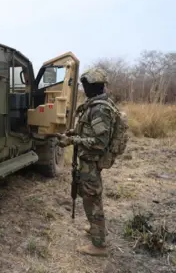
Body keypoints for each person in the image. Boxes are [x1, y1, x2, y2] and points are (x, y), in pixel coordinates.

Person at [56, 68, 115, 257]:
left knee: (91, 199)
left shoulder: (99, 109)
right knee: (90, 196)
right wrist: (72, 134)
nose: (85, 88)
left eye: (87, 86)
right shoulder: (95, 105)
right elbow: (88, 130)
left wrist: (73, 141)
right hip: (88, 161)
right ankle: (96, 229)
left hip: (92, 160)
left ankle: (99, 245)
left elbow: (99, 143)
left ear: (95, 87)